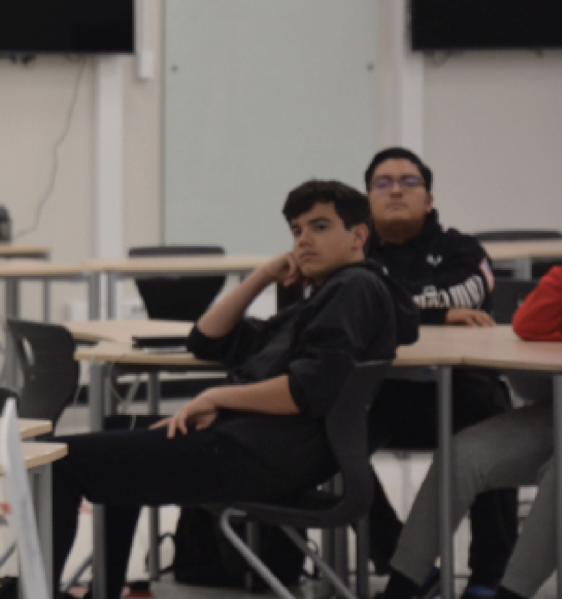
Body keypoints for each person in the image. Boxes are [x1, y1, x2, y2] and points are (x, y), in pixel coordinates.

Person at [41, 180, 418, 599]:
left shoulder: (354, 289)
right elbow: (205, 339)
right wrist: (262, 276)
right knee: (116, 428)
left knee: (57, 462)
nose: (303, 241)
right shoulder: (325, 295)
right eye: (296, 231)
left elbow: (305, 391)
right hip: (256, 447)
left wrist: (215, 397)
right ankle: (103, 592)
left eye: (320, 227)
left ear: (358, 235)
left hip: (253, 456)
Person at [362, 147, 518, 596]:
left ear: (428, 199)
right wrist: (433, 311)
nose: (395, 189)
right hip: (381, 393)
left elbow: (468, 294)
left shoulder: (461, 248)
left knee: (494, 426)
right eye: (383, 182)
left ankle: (490, 576)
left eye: (408, 182)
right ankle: (403, 565)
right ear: (367, 199)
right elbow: (345, 301)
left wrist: (390, 304)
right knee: (327, 438)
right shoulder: (352, 253)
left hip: (459, 392)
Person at [379, 267, 562, 599]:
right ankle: (402, 589)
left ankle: (510, 593)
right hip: (555, 413)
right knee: (461, 455)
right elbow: (529, 325)